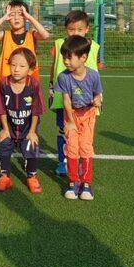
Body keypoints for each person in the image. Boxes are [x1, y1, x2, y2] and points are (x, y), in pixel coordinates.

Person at [0, 0, 49, 171]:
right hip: (8, 87)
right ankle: (2, 156)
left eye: (20, 14)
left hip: (28, 87)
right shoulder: (5, 35)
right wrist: (3, 17)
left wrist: (30, 17)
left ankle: (29, 155)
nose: (16, 17)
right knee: (5, 122)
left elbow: (45, 35)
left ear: (26, 16)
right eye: (12, 14)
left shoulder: (31, 35)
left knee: (31, 119)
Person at [49, 10, 101, 176]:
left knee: (85, 134)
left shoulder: (94, 46)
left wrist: (98, 95)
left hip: (86, 101)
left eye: (80, 29)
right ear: (66, 29)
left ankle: (80, 162)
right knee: (64, 130)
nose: (75, 33)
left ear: (87, 29)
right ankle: (63, 161)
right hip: (63, 97)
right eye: (71, 29)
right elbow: (54, 65)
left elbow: (96, 72)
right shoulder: (59, 44)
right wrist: (51, 85)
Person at [55, 35, 103, 201]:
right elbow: (66, 100)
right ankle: (74, 182)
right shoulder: (63, 77)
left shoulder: (93, 76)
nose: (65, 61)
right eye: (64, 57)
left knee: (85, 146)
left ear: (83, 57)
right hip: (72, 114)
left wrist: (97, 100)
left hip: (88, 114)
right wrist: (69, 122)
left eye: (69, 57)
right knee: (72, 147)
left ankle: (87, 183)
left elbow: (98, 94)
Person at [0, 48, 45, 194]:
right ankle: (5, 176)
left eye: (22, 66)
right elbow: (1, 109)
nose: (16, 69)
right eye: (13, 65)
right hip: (10, 127)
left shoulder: (33, 84)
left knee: (31, 144)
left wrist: (32, 131)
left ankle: (32, 176)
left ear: (30, 69)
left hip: (27, 128)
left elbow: (36, 111)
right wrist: (5, 129)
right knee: (4, 142)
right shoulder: (3, 83)